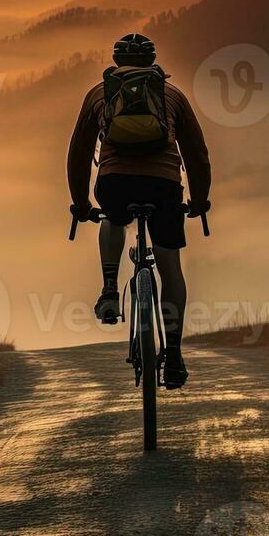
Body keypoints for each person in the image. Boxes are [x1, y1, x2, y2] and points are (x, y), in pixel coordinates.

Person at [66, 33, 211, 389]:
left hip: (115, 182)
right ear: (153, 62)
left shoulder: (99, 94)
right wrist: (199, 200)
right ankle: (174, 355)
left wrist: (82, 204)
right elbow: (197, 154)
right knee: (170, 268)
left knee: (112, 217)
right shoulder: (172, 95)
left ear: (116, 61)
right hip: (163, 186)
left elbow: (79, 154)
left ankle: (110, 289)